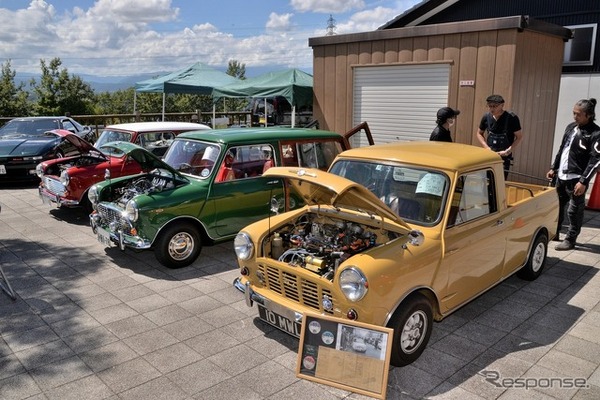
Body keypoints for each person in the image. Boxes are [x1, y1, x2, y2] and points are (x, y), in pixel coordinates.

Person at [546, 98, 600, 251]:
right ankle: (554, 232)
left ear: (588, 115)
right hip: (561, 176)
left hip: (576, 178)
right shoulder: (571, 127)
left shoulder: (595, 133)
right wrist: (554, 167)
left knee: (574, 210)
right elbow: (562, 148)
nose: (574, 117)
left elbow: (595, 160)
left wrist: (584, 181)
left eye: (578, 114)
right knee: (557, 205)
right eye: (573, 113)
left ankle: (570, 239)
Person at [476, 94, 523, 178]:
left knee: (500, 181)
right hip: (489, 156)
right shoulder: (486, 117)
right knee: (486, 181)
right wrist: (486, 147)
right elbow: (479, 133)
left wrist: (508, 150)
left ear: (502, 105)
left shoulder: (512, 118)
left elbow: (519, 137)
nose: (492, 109)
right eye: (489, 106)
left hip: (504, 157)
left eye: (494, 106)